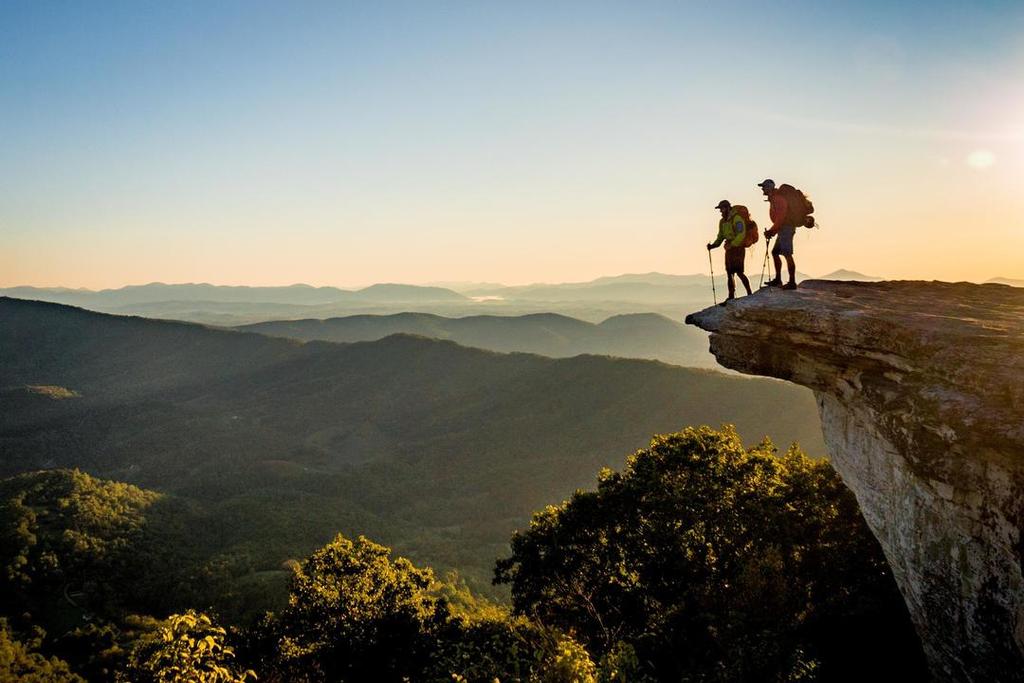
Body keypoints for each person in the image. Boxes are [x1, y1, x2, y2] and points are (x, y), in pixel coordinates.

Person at [707, 200, 752, 304]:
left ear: (727, 208)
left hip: (738, 248)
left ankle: (749, 293)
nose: (721, 211)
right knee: (729, 273)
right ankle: (731, 296)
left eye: (722, 209)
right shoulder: (722, 221)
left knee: (739, 272)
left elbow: (741, 233)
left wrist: (732, 244)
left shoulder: (737, 218)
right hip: (729, 249)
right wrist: (713, 245)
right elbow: (721, 236)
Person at [758, 179, 797, 290]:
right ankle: (778, 279)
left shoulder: (778, 199)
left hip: (786, 228)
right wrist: (773, 231)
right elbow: (779, 220)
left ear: (769, 188)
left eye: (764, 187)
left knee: (787, 254)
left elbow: (780, 218)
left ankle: (792, 282)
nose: (762, 189)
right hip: (783, 228)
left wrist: (771, 231)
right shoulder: (774, 199)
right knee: (775, 252)